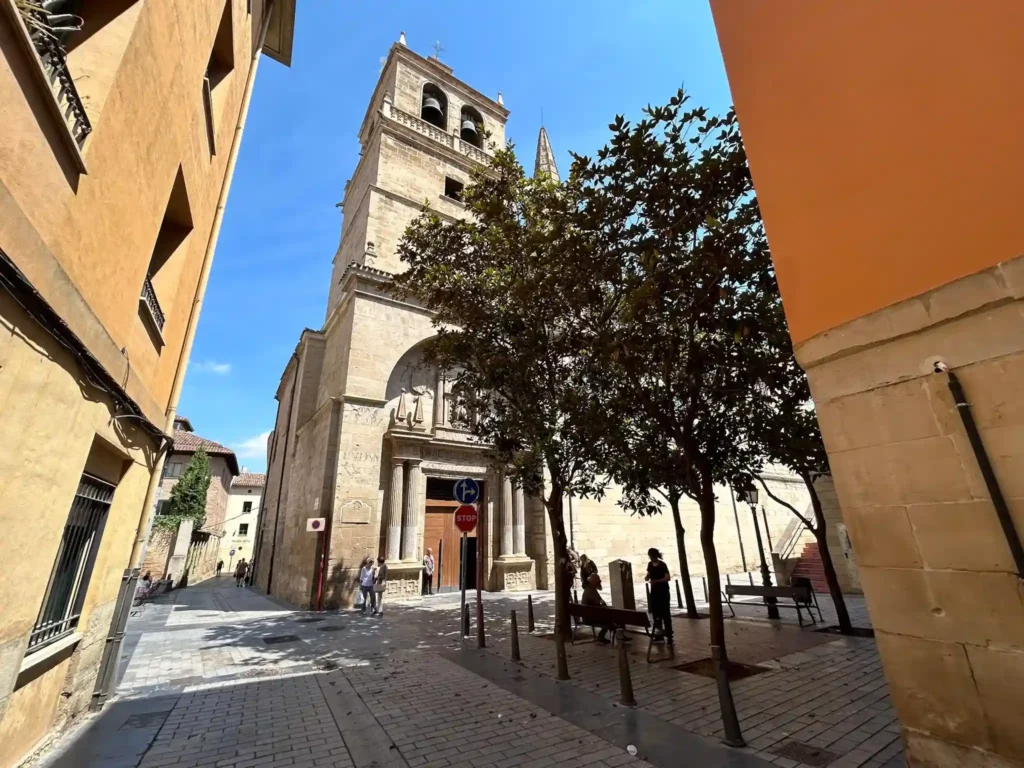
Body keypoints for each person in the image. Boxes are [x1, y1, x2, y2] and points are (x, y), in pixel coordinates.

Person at [645, 548, 673, 644]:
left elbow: (667, 577)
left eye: (651, 556)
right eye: (649, 556)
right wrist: (647, 577)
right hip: (654, 592)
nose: (650, 558)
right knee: (656, 614)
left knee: (666, 614)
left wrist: (657, 581)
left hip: (663, 592)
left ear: (655, 555)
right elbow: (648, 574)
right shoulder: (649, 565)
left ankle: (669, 637)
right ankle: (659, 635)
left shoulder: (662, 565)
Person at [581, 572, 611, 644]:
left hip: (590, 615)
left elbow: (600, 601)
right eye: (598, 581)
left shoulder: (590, 589)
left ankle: (618, 634)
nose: (600, 582)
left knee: (611, 619)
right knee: (609, 620)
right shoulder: (591, 590)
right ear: (594, 582)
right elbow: (600, 602)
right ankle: (619, 636)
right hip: (590, 617)